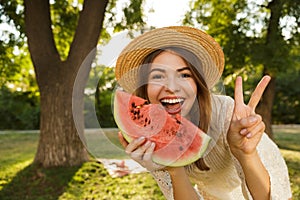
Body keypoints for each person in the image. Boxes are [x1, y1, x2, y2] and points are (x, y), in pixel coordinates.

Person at [114, 26, 292, 200]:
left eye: (184, 75)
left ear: (197, 84)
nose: (171, 87)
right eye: (158, 76)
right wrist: (173, 169)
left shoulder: (229, 116)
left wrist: (245, 153)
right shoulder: (152, 137)